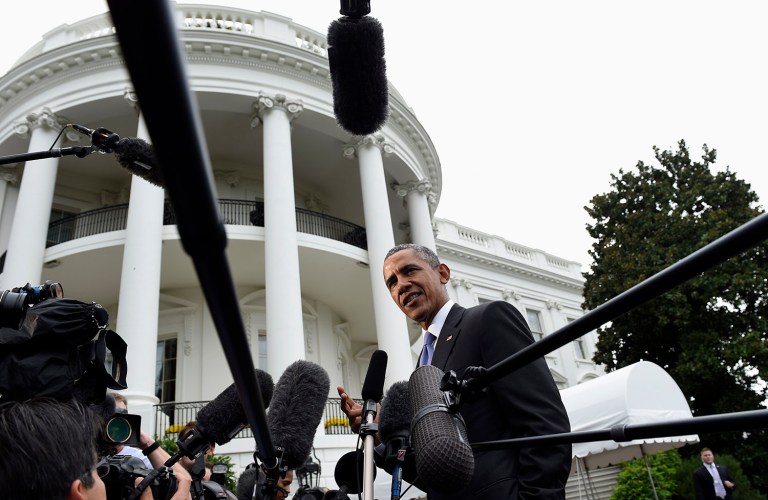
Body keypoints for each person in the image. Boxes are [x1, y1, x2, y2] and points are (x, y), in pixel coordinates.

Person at [338, 243, 572, 499]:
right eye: (392, 282)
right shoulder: (423, 367)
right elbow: (437, 470)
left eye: (409, 271)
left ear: (443, 274)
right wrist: (381, 437)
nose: (401, 285)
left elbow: (544, 424)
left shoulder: (487, 319)